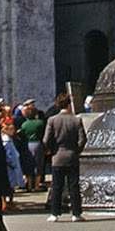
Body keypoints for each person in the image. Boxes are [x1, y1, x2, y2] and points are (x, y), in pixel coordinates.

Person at [43, 93, 87, 222]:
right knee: (74, 186)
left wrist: (52, 150)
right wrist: (76, 150)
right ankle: (76, 213)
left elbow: (46, 140)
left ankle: (54, 213)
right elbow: (82, 139)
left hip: (57, 157)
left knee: (57, 186)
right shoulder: (76, 120)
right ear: (69, 105)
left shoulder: (52, 120)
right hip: (72, 157)